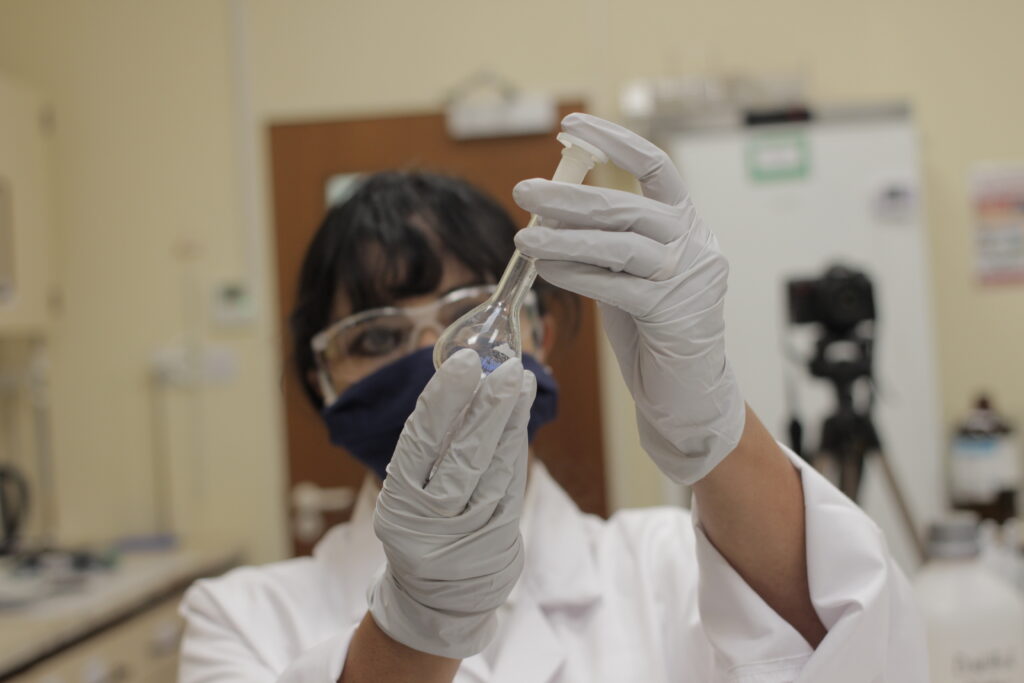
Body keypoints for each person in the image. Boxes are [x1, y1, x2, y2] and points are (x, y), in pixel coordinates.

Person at [178, 114, 927, 682]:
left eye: (470, 311)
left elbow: (863, 652)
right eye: (374, 338)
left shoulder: (667, 567)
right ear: (321, 379)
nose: (435, 358)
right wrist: (414, 624)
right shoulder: (240, 620)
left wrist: (714, 431)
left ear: (538, 330)